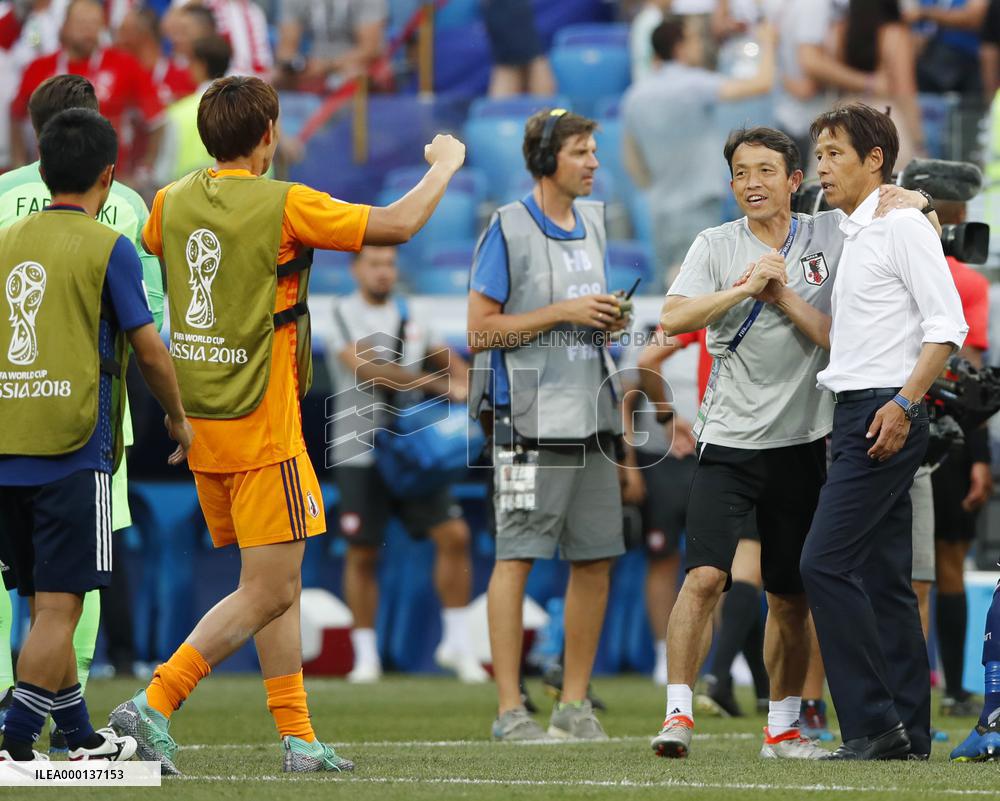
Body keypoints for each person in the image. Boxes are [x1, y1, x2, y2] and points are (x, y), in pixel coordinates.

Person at [108, 75, 467, 775]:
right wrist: (445, 164)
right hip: (263, 423)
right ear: (269, 135)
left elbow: (154, 247)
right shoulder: (285, 203)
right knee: (272, 587)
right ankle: (154, 701)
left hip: (202, 422)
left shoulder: (169, 201)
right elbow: (396, 225)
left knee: (276, 583)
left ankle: (299, 737)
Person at [648, 124, 935, 760]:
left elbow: (902, 226)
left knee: (790, 594)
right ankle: (678, 716)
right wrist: (744, 289)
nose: (751, 183)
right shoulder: (714, 244)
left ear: (794, 180)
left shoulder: (830, 232)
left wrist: (917, 199)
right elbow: (671, 317)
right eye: (740, 173)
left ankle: (781, 729)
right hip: (728, 441)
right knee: (704, 577)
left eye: (765, 171)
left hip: (804, 441)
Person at [0, 106, 192, 762]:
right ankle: (15, 741)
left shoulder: (5, 240)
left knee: (37, 601)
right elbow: (150, 348)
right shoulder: (110, 245)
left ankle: (78, 734)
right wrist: (177, 416)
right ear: (108, 176)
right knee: (61, 609)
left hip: (7, 441)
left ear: (42, 168)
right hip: (75, 447)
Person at [799, 102, 967, 760]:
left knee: (823, 562)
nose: (822, 166)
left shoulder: (901, 226)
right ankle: (909, 732)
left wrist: (902, 404)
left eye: (835, 153)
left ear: (875, 160)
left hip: (883, 410)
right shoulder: (855, 229)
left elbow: (947, 326)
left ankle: (872, 725)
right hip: (858, 409)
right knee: (886, 578)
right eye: (818, 154)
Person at [467, 108, 627, 742]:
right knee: (516, 556)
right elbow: (480, 330)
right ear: (545, 159)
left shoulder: (596, 222)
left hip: (592, 413)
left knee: (596, 558)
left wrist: (607, 319)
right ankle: (510, 710)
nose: (593, 163)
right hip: (525, 423)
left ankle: (573, 705)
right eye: (581, 151)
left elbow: (585, 316)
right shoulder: (506, 227)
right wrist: (564, 312)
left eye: (593, 151)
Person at [326, 244, 486, 684]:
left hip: (413, 450)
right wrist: (441, 385)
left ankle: (456, 643)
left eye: (390, 263)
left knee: (454, 535)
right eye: (374, 263)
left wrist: (468, 384)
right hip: (358, 449)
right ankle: (366, 656)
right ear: (356, 269)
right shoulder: (341, 311)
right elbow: (368, 370)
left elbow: (444, 357)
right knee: (362, 551)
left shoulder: (415, 311)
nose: (383, 271)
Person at [622, 16, 775, 284]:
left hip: (658, 212)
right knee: (698, 290)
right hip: (698, 208)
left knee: (669, 293)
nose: (699, 45)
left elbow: (632, 162)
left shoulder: (634, 96)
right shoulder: (695, 85)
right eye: (693, 39)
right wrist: (769, 42)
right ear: (679, 47)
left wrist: (659, 188)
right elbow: (761, 84)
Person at [929, 198, 993, 718]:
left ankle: (898, 690)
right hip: (947, 437)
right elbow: (969, 378)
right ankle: (952, 689)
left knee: (898, 572)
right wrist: (979, 455)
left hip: (882, 422)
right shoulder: (968, 281)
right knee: (948, 564)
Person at [10, 0, 165, 183]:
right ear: (64, 26)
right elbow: (16, 116)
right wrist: (19, 163)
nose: (89, 30)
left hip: (109, 181)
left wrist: (144, 169)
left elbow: (157, 120)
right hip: (50, 181)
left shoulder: (124, 64)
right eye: (82, 23)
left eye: (95, 24)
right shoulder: (39, 68)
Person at [154, 34, 232, 185]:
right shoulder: (245, 106)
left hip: (188, 193)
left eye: (190, 61)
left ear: (201, 65)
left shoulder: (178, 113)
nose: (187, 67)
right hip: (238, 192)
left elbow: (163, 173)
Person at [274, 0, 387, 92]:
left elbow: (370, 48)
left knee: (357, 75)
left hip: (353, 61)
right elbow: (285, 49)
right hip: (313, 64)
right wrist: (296, 65)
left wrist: (326, 66)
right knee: (274, 77)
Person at [904, 0, 988, 95]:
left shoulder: (924, 11)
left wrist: (925, 13)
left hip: (966, 57)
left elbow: (975, 18)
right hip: (928, 61)